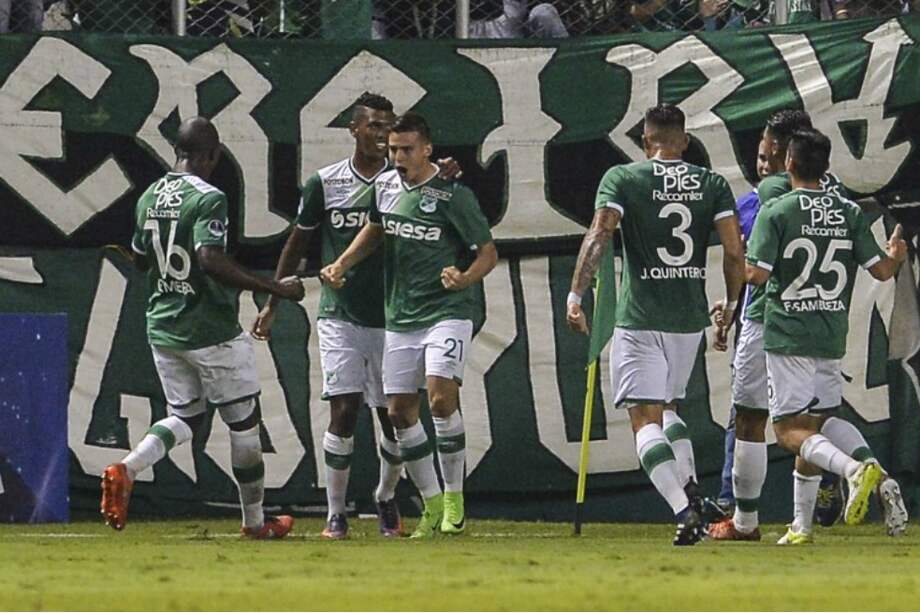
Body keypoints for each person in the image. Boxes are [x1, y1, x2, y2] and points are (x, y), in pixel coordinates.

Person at [252, 93, 461, 540]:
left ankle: (386, 496)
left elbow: (447, 213)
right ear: (353, 129)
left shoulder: (407, 181)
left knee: (394, 417)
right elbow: (298, 242)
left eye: (388, 126)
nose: (382, 134)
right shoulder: (325, 183)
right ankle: (335, 513)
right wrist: (272, 302)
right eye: (373, 125)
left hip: (393, 313)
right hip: (340, 314)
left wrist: (444, 176)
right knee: (343, 410)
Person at [100, 117, 305, 539]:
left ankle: (127, 467)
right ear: (210, 156)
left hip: (163, 324)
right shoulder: (209, 197)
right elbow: (210, 259)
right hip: (209, 328)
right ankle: (254, 523)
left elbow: (139, 258)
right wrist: (274, 288)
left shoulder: (150, 196)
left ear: (178, 152)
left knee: (185, 416)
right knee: (244, 420)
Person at [566, 103, 745, 545]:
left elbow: (599, 233)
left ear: (646, 141)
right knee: (668, 410)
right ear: (685, 141)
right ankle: (692, 490)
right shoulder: (713, 184)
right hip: (687, 320)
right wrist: (733, 305)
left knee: (643, 417)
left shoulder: (624, 178)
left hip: (641, 318)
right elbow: (734, 252)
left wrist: (575, 294)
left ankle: (684, 511)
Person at [322, 112, 497, 538]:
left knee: (440, 401)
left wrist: (465, 277)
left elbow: (488, 252)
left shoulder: (453, 195)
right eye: (393, 149)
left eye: (406, 149)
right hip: (399, 316)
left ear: (427, 150)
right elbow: (376, 229)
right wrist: (343, 261)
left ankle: (455, 499)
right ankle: (432, 503)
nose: (397, 156)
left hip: (448, 311)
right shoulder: (384, 186)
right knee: (399, 413)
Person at [742, 128, 909, 544]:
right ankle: (805, 525)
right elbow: (882, 272)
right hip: (831, 332)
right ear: (827, 167)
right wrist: (896, 256)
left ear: (788, 164)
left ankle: (853, 470)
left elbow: (757, 276)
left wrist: (746, 255)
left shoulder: (776, 210)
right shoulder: (848, 211)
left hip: (788, 334)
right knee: (823, 421)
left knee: (787, 431)